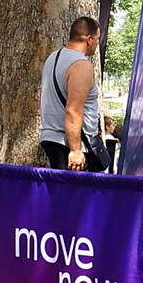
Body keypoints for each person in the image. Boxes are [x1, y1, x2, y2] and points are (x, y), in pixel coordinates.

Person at [39, 15, 104, 171]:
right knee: (73, 187)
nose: (97, 44)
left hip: (52, 138)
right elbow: (73, 109)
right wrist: (75, 150)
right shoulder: (81, 65)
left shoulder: (53, 58)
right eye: (97, 39)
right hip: (70, 144)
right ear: (89, 39)